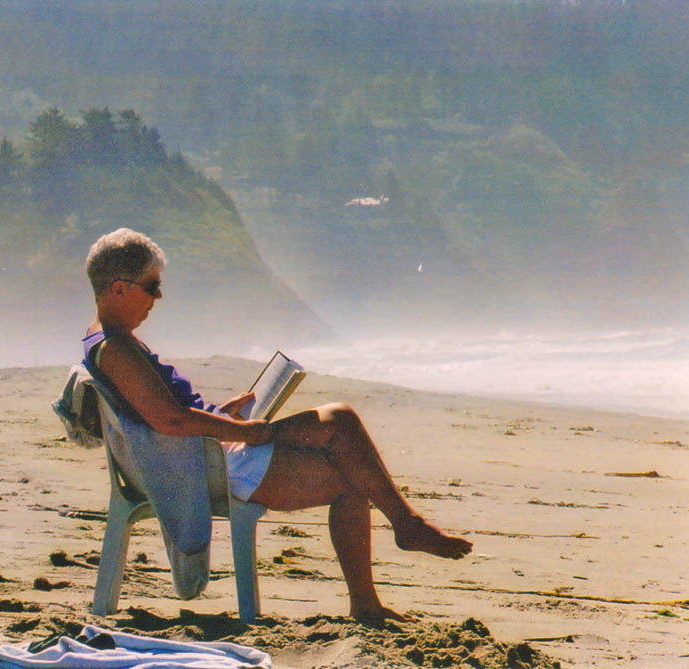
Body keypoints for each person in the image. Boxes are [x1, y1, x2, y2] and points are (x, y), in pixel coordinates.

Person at [82, 228, 472, 622]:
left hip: (212, 450)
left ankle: (376, 587)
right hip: (214, 463)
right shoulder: (116, 350)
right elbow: (169, 419)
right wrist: (246, 432)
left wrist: (223, 414)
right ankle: (406, 528)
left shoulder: (111, 340)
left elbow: (167, 412)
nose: (158, 297)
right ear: (119, 288)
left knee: (352, 464)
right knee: (340, 422)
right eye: (152, 286)